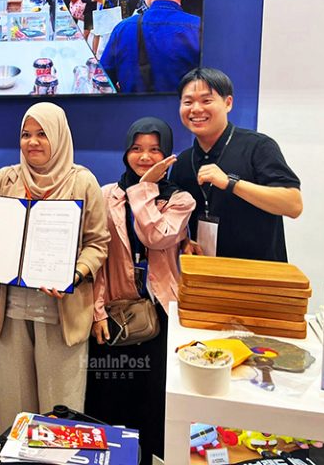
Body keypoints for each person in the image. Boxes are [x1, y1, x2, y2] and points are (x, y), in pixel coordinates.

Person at [0, 102, 109, 433]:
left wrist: (73, 274)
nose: (32, 142)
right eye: (26, 134)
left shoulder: (83, 182)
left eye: (42, 134)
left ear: (59, 136)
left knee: (59, 408)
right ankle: (15, 455)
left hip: (61, 312)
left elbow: (98, 244)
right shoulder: (4, 179)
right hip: (11, 312)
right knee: (15, 406)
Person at [84, 117, 195, 465]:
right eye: (136, 148)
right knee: (110, 392)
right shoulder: (106, 195)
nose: (144, 157)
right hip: (115, 310)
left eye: (154, 150)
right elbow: (97, 257)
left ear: (167, 154)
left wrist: (145, 189)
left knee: (154, 397)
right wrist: (96, 312)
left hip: (161, 312)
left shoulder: (180, 199)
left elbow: (155, 236)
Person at [170, 67, 303, 261]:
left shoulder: (258, 146)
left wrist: (230, 183)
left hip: (259, 272)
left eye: (206, 100)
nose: (196, 109)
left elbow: (293, 205)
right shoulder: (182, 162)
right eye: (188, 102)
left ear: (228, 103)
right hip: (203, 271)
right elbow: (175, 219)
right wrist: (183, 241)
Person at [99, 0, 200, 93]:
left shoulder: (123, 29)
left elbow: (102, 79)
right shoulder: (200, 29)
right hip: (183, 107)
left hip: (132, 108)